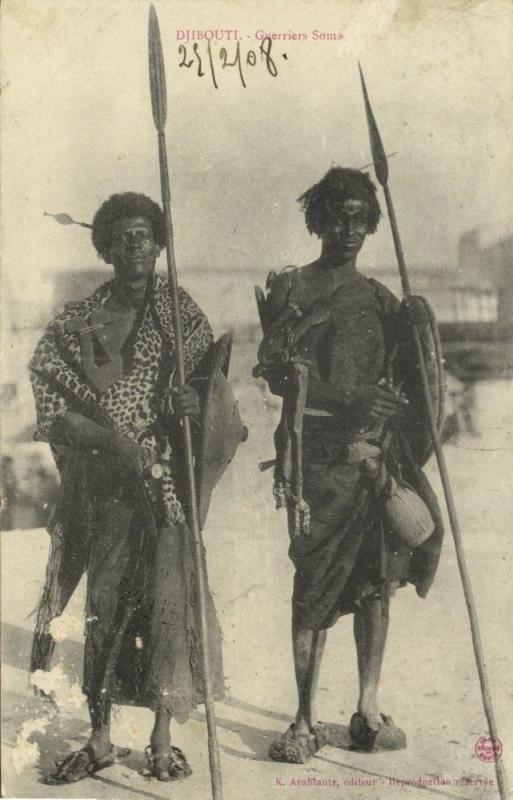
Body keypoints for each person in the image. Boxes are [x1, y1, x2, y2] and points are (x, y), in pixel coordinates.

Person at [30, 192, 223, 782]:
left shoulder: (183, 316)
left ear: (160, 243)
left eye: (144, 235)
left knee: (167, 607)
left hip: (166, 490)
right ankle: (101, 737)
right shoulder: (79, 320)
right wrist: (112, 443)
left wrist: (196, 403)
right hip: (107, 489)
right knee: (106, 608)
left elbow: (215, 396)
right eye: (123, 237)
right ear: (106, 247)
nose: (134, 246)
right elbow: (51, 402)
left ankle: (163, 740)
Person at [256, 167, 444, 762]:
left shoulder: (382, 299)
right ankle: (303, 719)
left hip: (374, 462)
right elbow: (279, 375)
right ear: (319, 219)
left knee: (375, 585)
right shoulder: (294, 291)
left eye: (361, 218)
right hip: (317, 464)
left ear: (372, 225)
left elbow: (414, 377)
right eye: (340, 216)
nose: (350, 229)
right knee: (312, 585)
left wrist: (418, 324)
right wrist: (349, 398)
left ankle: (366, 709)